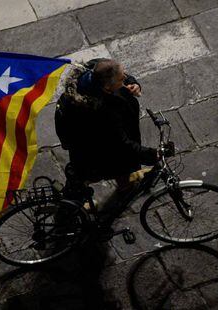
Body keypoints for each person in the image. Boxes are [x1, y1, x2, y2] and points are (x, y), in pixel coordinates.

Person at [55, 58, 159, 226]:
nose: (124, 78)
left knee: (120, 165)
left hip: (100, 140)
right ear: (107, 87)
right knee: (87, 174)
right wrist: (151, 154)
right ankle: (68, 212)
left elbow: (109, 67)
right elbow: (120, 144)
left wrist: (132, 82)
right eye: (121, 79)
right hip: (92, 148)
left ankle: (125, 185)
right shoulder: (100, 111)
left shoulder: (92, 73)